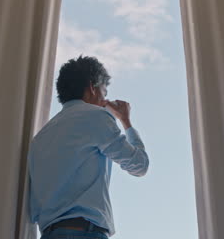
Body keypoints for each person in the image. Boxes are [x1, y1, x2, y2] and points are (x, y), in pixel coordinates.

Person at [28, 55, 149, 239]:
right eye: (104, 92)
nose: (104, 101)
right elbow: (140, 166)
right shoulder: (95, 116)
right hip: (84, 232)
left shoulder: (41, 137)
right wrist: (126, 121)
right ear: (92, 88)